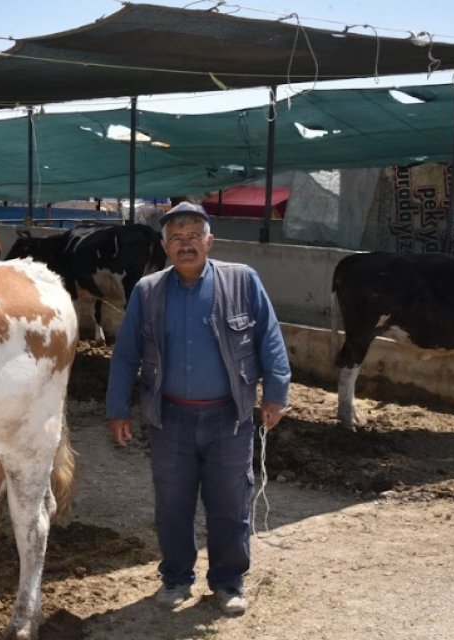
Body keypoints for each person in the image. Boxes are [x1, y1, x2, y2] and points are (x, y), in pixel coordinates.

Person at [105, 201, 291, 616]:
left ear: (210, 240)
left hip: (230, 416)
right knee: (173, 504)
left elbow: (270, 338)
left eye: (193, 237)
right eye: (176, 238)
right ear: (164, 245)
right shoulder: (148, 290)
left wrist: (276, 393)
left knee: (229, 503)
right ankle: (175, 578)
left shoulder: (242, 281)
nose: (185, 245)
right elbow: (125, 354)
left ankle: (228, 582)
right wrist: (117, 408)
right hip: (169, 418)